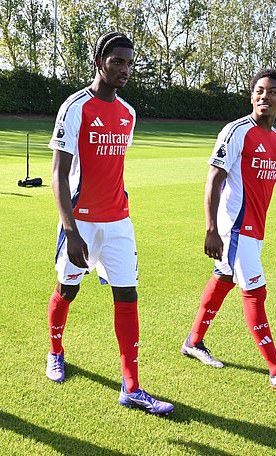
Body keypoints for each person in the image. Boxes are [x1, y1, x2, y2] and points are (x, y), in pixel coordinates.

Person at [45, 31, 174, 416]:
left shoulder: (128, 113)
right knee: (68, 290)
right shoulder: (75, 107)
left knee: (128, 295)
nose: (124, 69)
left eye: (129, 63)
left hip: (118, 222)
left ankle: (131, 387)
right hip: (81, 222)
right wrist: (70, 231)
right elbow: (58, 174)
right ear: (99, 61)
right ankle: (55, 351)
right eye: (117, 61)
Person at [181, 69, 276, 395]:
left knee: (224, 279)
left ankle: (193, 342)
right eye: (259, 90)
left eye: (272, 92)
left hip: (255, 229)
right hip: (234, 227)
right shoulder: (236, 131)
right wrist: (211, 229)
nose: (264, 96)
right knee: (256, 291)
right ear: (252, 95)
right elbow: (214, 178)